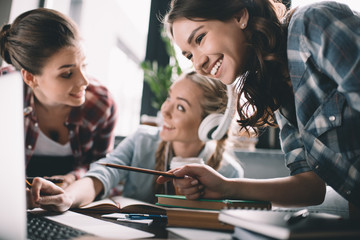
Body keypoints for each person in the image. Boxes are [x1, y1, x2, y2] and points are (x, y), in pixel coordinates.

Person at [156, 0, 360, 211]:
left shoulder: (313, 23)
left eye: (200, 38)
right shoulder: (277, 83)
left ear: (239, 17)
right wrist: (225, 187)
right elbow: (311, 187)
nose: (197, 64)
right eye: (189, 55)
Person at [27, 71, 244, 211]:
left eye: (180, 107)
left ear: (211, 125)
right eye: (169, 97)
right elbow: (103, 173)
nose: (164, 110)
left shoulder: (231, 175)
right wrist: (67, 197)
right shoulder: (142, 140)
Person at [0, 8, 117, 188]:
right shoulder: (5, 92)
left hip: (70, 205)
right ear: (30, 78)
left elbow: (100, 166)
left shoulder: (101, 103)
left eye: (83, 65)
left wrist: (72, 179)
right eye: (67, 74)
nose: (84, 81)